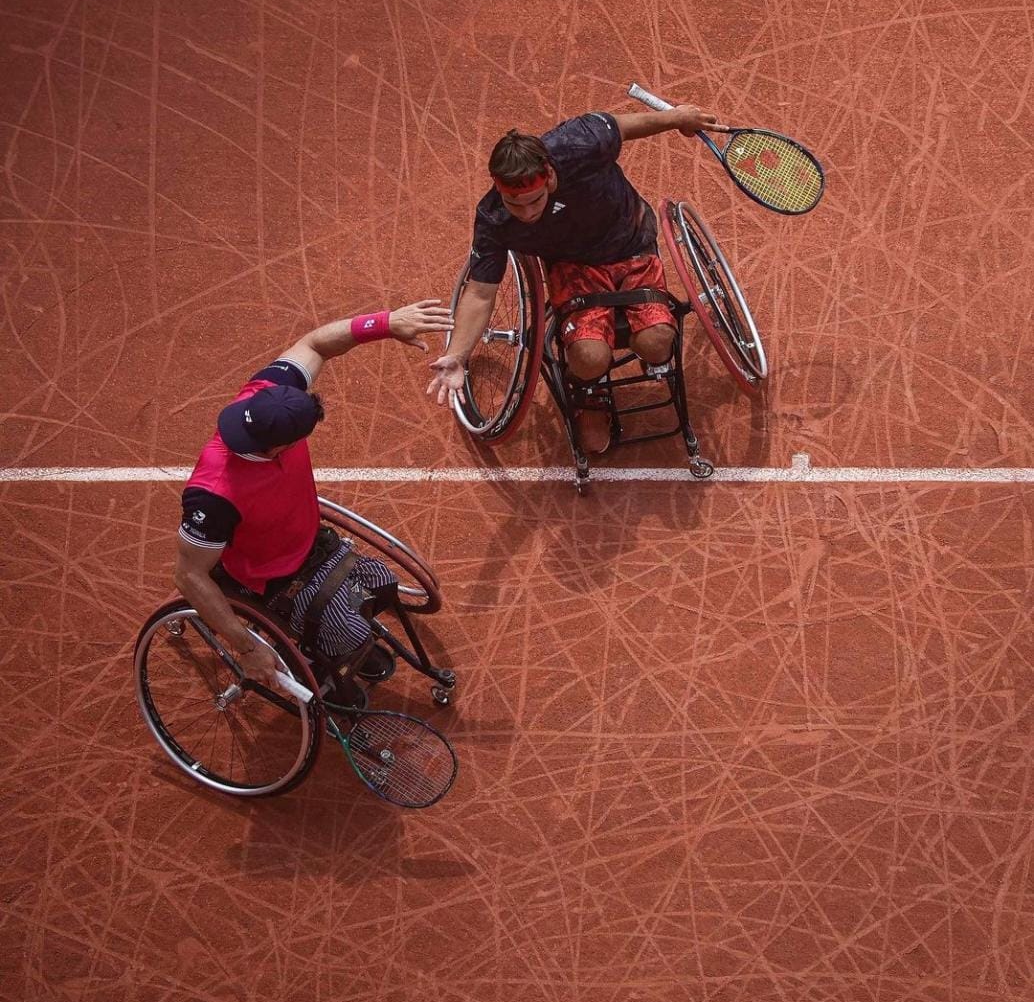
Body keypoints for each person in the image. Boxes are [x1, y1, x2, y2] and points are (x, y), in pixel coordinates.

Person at [175, 300, 453, 696]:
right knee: (347, 637)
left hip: (310, 543)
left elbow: (318, 344)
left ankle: (344, 644)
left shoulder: (277, 395)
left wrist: (387, 323)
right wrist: (248, 647)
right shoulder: (214, 495)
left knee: (382, 584)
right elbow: (188, 575)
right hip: (267, 578)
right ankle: (323, 661)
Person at [427, 103, 717, 452]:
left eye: (534, 201)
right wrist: (458, 355)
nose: (527, 213)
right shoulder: (493, 220)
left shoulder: (579, 144)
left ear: (549, 176)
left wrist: (678, 119)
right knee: (590, 358)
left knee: (657, 346)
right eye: (513, 204)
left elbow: (622, 126)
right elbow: (480, 293)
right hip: (573, 267)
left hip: (632, 244)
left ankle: (636, 335)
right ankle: (589, 392)